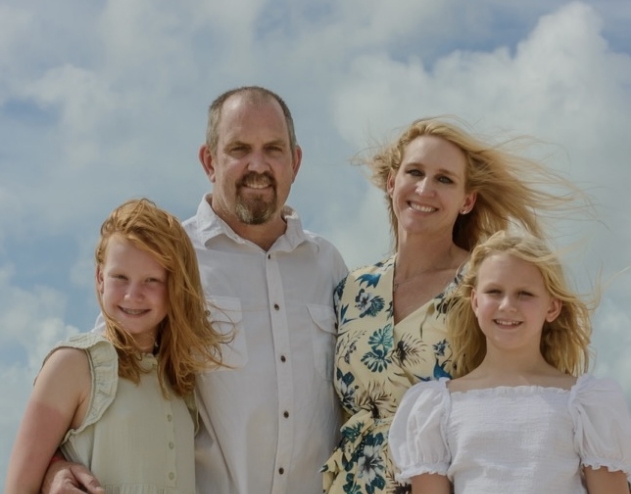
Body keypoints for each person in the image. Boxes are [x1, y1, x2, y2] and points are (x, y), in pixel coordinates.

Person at [41, 86, 348, 494]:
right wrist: (54, 466)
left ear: (295, 161)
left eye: (273, 149)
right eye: (239, 148)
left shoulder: (329, 264)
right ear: (209, 161)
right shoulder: (170, 258)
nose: (257, 165)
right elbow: (99, 375)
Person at [321, 117, 585, 493]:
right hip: (352, 482)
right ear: (392, 182)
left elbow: (528, 386)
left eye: (444, 179)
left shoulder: (483, 285)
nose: (425, 188)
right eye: (415, 172)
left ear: (467, 200)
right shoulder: (351, 288)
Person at [5, 198, 227, 493]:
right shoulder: (71, 365)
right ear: (100, 278)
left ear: (174, 286)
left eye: (152, 280)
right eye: (120, 277)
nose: (133, 295)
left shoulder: (179, 381)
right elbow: (18, 487)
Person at [389, 230, 631, 493]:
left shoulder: (585, 402)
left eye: (524, 294)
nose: (507, 305)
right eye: (494, 291)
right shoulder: (436, 406)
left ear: (552, 307)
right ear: (476, 302)